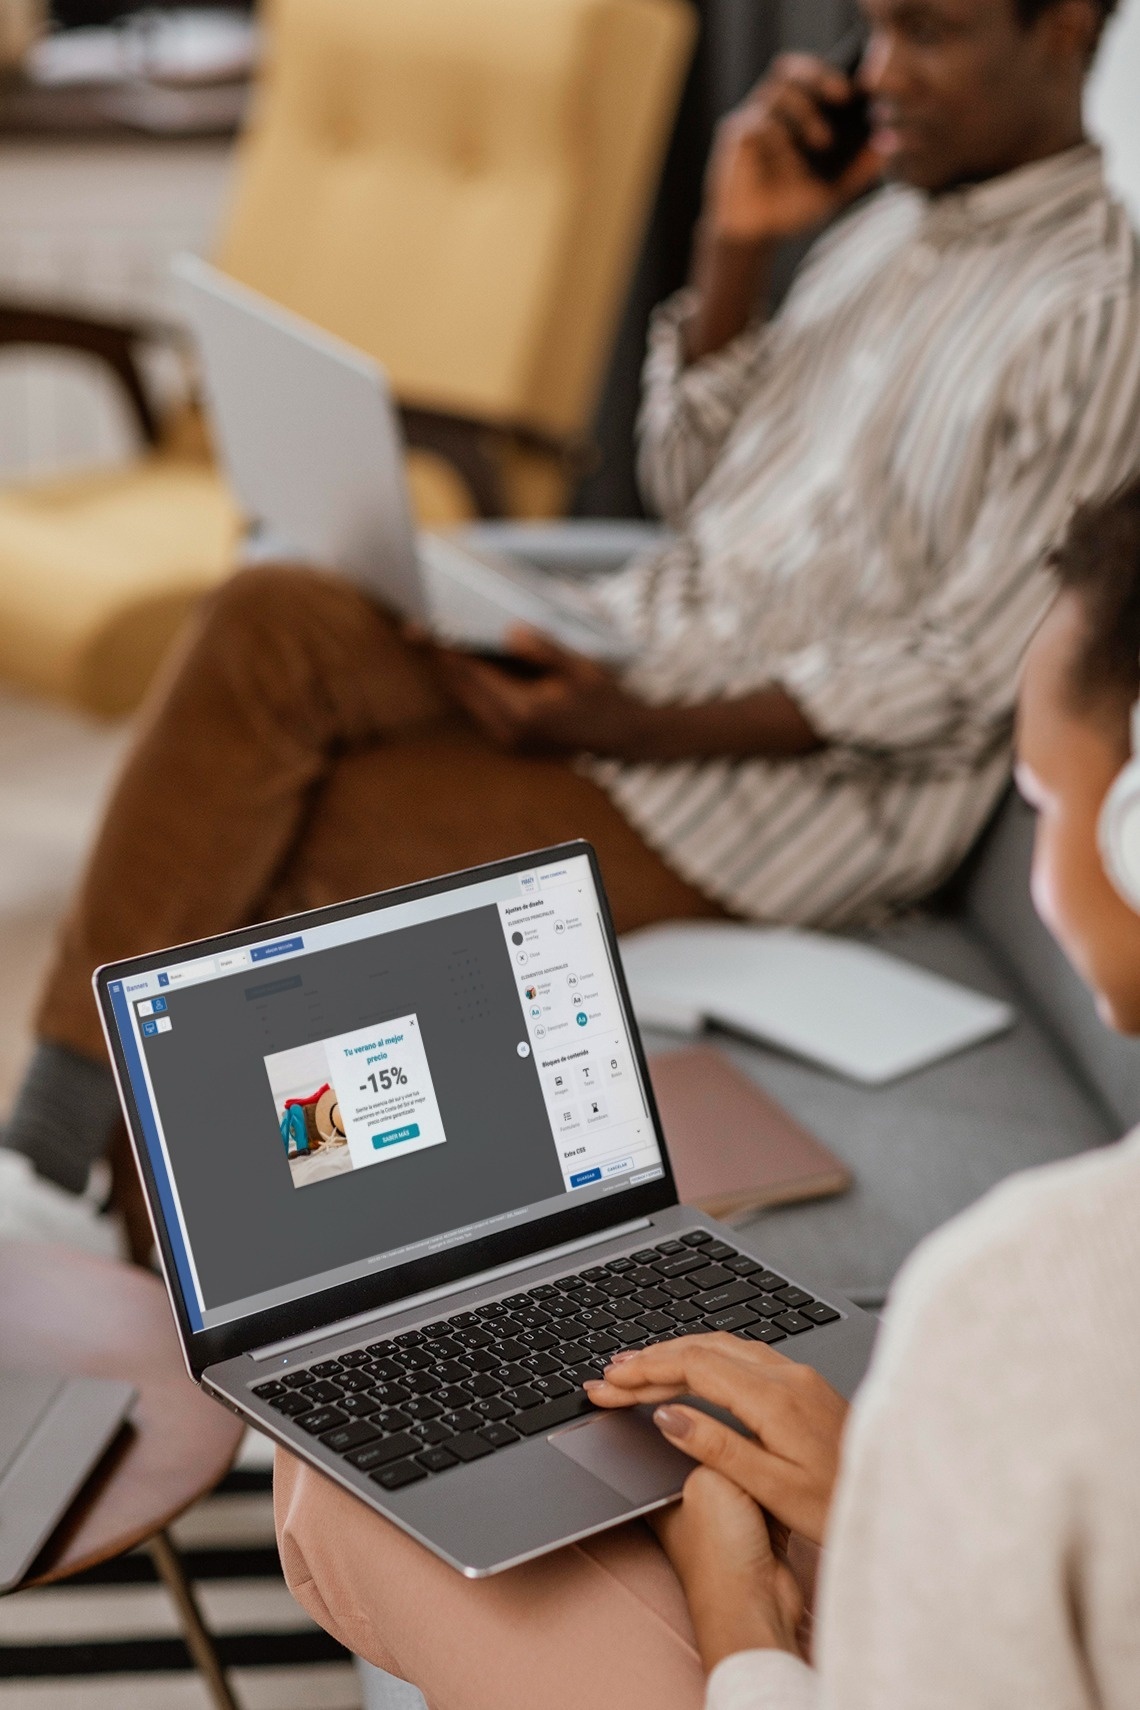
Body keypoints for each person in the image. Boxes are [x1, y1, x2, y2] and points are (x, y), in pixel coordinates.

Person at [3, 0, 1138, 1249]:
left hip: (769, 808)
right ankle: (53, 1159)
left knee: (303, 834)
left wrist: (632, 722)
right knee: (268, 613)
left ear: (1068, 29)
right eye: (875, 31)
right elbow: (693, 491)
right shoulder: (878, 236)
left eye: (933, 34)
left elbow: (972, 669)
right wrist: (734, 250)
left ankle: (147, 1240)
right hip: (635, 658)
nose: (883, 76)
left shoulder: (1096, 310)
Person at [274, 434, 1140, 1708]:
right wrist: (882, 1501)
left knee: (331, 1475)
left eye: (1047, 804)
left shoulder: (1036, 1298)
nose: (1039, 862)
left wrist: (743, 1616)